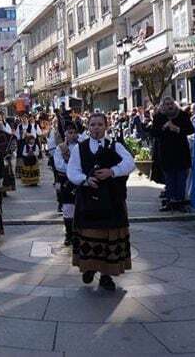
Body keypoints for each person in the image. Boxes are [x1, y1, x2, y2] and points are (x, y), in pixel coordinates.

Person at [67, 113, 135, 290]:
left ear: (106, 126)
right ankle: (89, 269)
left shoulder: (115, 145)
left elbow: (130, 163)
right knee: (90, 235)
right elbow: (72, 171)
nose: (96, 128)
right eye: (92, 125)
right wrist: (85, 180)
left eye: (99, 124)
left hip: (112, 200)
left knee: (108, 237)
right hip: (88, 201)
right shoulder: (79, 148)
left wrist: (112, 171)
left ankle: (106, 275)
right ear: (88, 127)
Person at [151, 97, 195, 211]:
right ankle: (171, 200)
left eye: (171, 103)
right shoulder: (159, 117)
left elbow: (190, 130)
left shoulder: (182, 115)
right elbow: (154, 133)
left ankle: (180, 201)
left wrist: (177, 129)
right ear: (163, 106)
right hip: (166, 152)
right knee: (169, 177)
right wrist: (164, 127)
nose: (169, 106)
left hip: (181, 151)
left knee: (181, 177)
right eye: (167, 104)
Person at [53, 122, 79, 246]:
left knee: (80, 207)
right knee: (68, 209)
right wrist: (73, 168)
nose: (72, 135)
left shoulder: (82, 146)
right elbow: (59, 166)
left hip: (79, 182)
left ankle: (79, 233)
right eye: (70, 132)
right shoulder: (61, 148)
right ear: (65, 134)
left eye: (74, 132)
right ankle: (69, 234)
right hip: (66, 182)